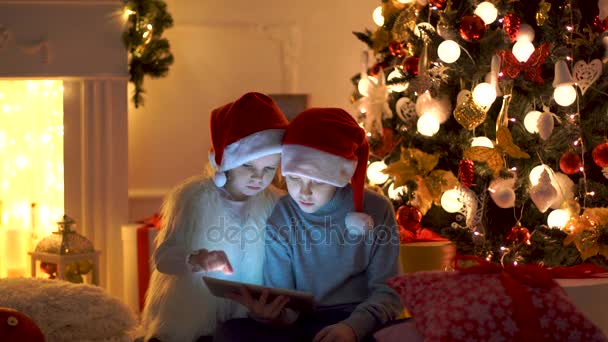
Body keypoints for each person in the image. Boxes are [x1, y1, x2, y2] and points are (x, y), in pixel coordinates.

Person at [217, 107, 402, 342]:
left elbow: (389, 292)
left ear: (339, 177)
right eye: (294, 178)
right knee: (230, 332)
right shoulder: (282, 214)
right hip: (303, 323)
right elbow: (286, 307)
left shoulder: (377, 209)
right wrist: (271, 316)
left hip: (357, 321)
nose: (303, 192)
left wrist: (352, 329)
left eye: (317, 182)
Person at [140, 92, 289, 342]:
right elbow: (163, 257)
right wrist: (197, 259)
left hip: (245, 320)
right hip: (189, 323)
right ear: (226, 162)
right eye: (247, 166)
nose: (258, 177)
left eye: (269, 169)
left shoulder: (274, 204)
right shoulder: (193, 198)